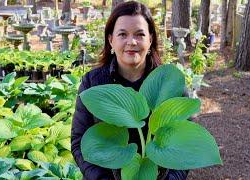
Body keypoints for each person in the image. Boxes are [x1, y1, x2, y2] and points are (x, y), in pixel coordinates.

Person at [71, 1, 189, 179]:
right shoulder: (93, 83)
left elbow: (185, 144)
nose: (131, 42)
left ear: (151, 39)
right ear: (111, 40)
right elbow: (79, 142)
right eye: (122, 34)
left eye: (140, 34)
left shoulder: (169, 83)